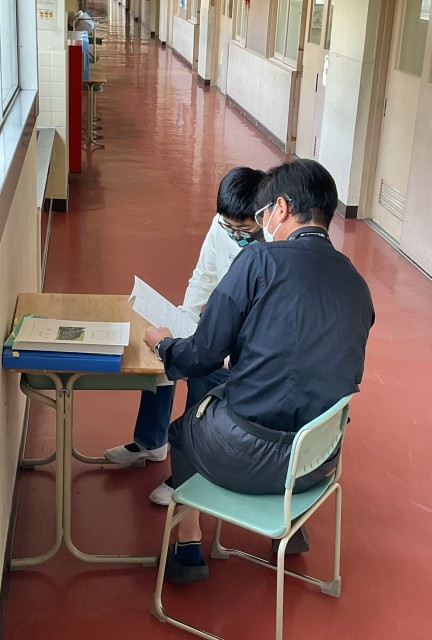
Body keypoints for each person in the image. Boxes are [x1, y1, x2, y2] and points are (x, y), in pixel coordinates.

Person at [144, 158, 375, 583]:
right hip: (317, 462)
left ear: (281, 209)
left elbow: (201, 355)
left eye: (264, 212)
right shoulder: (357, 285)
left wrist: (163, 344)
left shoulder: (258, 261)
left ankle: (189, 548)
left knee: (184, 430)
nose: (262, 223)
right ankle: (290, 523)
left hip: (247, 456)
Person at [104, 167, 266, 506]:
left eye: (244, 230)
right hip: (217, 322)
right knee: (164, 351)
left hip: (246, 343)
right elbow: (203, 276)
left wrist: (225, 347)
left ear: (263, 216)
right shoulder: (221, 226)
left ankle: (189, 470)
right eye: (229, 226)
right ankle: (151, 442)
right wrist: (183, 319)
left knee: (204, 373)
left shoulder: (274, 248)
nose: (234, 234)